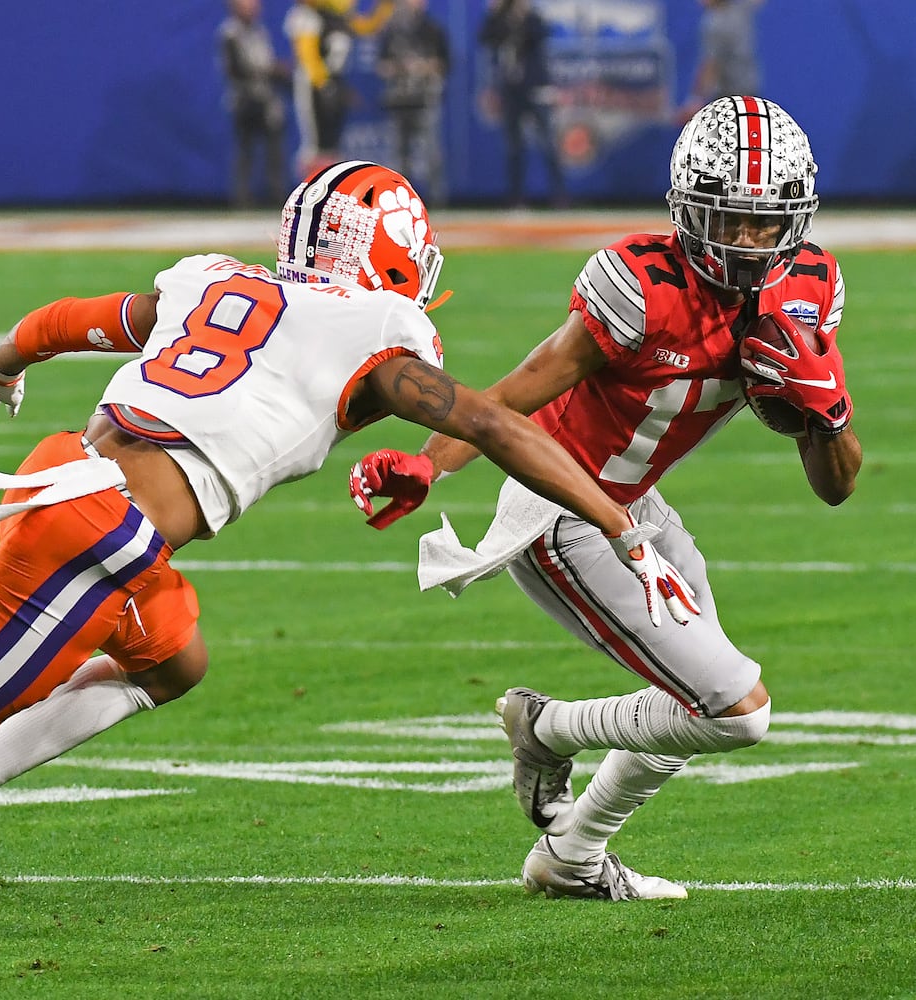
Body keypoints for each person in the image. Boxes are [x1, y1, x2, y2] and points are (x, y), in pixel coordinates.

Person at [0, 160, 698, 977]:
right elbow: (503, 427)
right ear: (392, 258)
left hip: (102, 513)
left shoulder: (216, 278)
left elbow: (73, 318)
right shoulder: (379, 335)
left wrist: (4, 360)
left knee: (176, 655)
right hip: (92, 532)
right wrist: (617, 515)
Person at [349, 97, 862, 900]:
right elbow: (512, 394)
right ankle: (546, 728)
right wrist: (430, 464)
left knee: (691, 704)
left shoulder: (810, 286)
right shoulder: (641, 288)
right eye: (730, 221)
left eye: (768, 224)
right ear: (688, 211)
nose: (750, 243)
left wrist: (827, 414)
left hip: (640, 509)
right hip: (563, 512)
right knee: (735, 710)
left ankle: (572, 859)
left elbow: (836, 487)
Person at [284, 0, 394, 179]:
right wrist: (323, 84)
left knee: (332, 140)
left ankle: (328, 188)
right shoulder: (309, 14)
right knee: (315, 140)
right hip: (313, 84)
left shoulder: (341, 17)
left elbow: (367, 28)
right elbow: (307, 54)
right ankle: (307, 191)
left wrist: (385, 7)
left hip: (334, 81)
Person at [478, 0, 564, 208]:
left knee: (548, 144)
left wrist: (522, 16)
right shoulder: (500, 20)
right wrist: (498, 14)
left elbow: (539, 34)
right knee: (514, 147)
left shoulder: (532, 18)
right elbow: (486, 37)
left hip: (535, 87)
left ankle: (558, 195)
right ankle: (516, 197)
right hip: (512, 90)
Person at [376, 0, 451, 205]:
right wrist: (400, 67)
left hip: (425, 98)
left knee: (431, 153)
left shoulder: (432, 29)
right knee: (399, 156)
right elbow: (381, 65)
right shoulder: (392, 29)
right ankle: (399, 203)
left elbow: (445, 64)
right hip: (399, 99)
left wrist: (421, 66)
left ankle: (438, 201)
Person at [217, 0, 290, 208]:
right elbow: (239, 67)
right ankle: (242, 198)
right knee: (245, 150)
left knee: (274, 151)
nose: (254, 7)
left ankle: (277, 196)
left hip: (266, 98)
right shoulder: (230, 33)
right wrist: (273, 69)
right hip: (245, 99)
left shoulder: (259, 30)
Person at [679, 0, 762, 121]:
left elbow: (711, 65)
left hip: (729, 98)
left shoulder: (714, 23)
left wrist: (696, 100)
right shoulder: (741, 12)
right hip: (751, 94)